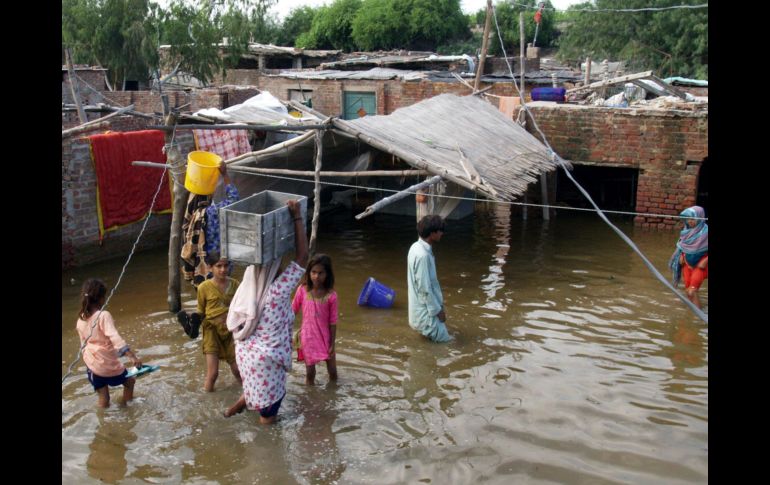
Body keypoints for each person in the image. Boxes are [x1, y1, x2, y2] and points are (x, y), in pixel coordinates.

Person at [224, 200, 308, 423]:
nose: (281, 267)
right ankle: (265, 447)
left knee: (254, 389)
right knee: (269, 412)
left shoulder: (248, 284)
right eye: (278, 264)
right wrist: (297, 216)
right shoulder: (276, 291)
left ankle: (233, 410)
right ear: (272, 269)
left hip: (245, 355)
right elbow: (302, 258)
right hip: (266, 361)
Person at [179, 162, 240, 339]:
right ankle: (216, 329)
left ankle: (195, 321)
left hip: (201, 266)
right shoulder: (214, 211)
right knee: (221, 300)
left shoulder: (192, 216)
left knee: (206, 301)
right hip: (218, 263)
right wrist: (225, 174)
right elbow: (233, 197)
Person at [76, 279, 142, 408]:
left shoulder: (81, 318)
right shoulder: (103, 315)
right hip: (107, 366)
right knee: (130, 382)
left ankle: (104, 423)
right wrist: (132, 356)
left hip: (92, 367)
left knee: (103, 397)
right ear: (101, 298)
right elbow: (114, 337)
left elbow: (83, 346)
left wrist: (91, 363)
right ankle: (127, 407)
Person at [196, 251, 242, 392]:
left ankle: (248, 395)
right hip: (211, 331)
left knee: (238, 370)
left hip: (231, 331)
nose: (223, 270)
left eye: (226, 266)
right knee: (213, 373)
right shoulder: (203, 287)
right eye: (219, 266)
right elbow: (201, 312)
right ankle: (207, 401)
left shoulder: (235, 285)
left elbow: (241, 309)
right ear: (210, 268)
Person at [292, 254, 339, 385]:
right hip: (308, 337)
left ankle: (332, 396)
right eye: (313, 272)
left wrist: (332, 344)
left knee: (333, 372)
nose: (316, 277)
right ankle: (310, 398)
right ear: (309, 273)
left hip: (326, 337)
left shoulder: (331, 295)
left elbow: (333, 321)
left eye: (320, 273)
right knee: (310, 374)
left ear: (327, 274)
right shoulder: (302, 290)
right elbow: (293, 311)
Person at [407, 215, 452, 343]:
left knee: (428, 344)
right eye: (440, 231)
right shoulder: (423, 256)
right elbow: (425, 289)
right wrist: (439, 312)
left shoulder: (414, 247)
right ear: (432, 234)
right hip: (426, 315)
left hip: (417, 311)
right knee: (446, 344)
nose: (442, 234)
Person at [669, 205, 708, 309]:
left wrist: (705, 261)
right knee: (688, 291)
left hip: (700, 266)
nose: (690, 221)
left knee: (692, 291)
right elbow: (683, 246)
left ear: (700, 217)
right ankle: (690, 315)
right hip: (687, 264)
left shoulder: (706, 232)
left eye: (693, 218)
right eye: (688, 219)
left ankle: (699, 317)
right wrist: (682, 255)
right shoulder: (686, 232)